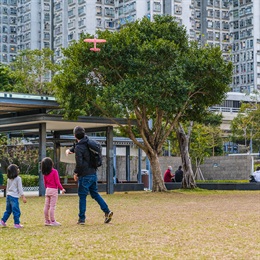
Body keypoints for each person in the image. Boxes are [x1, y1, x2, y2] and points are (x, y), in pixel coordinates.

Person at [66, 126, 113, 225]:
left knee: (82, 196)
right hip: (93, 173)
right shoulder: (88, 142)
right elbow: (78, 147)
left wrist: (75, 173)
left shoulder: (79, 147)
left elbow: (79, 163)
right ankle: (107, 211)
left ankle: (81, 219)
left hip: (84, 175)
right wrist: (70, 149)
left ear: (75, 136)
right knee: (95, 194)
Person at [0, 164, 27, 228]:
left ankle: (3, 221)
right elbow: (20, 188)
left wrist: (7, 196)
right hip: (14, 197)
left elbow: (7, 188)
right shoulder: (18, 179)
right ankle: (16, 224)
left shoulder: (9, 179)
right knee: (16, 211)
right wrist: (23, 196)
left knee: (8, 210)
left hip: (9, 196)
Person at [41, 157, 66, 226]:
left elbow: (45, 183)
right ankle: (52, 221)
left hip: (47, 190)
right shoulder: (54, 171)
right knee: (52, 206)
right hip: (54, 190)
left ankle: (46, 220)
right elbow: (57, 182)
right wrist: (62, 189)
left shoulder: (45, 173)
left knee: (46, 206)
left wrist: (47, 188)